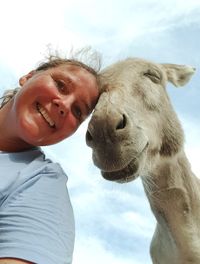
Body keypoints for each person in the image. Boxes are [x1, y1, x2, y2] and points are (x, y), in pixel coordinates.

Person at [0, 52, 100, 264]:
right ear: (28, 76)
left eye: (77, 110)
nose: (64, 105)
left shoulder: (40, 183)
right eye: (61, 85)